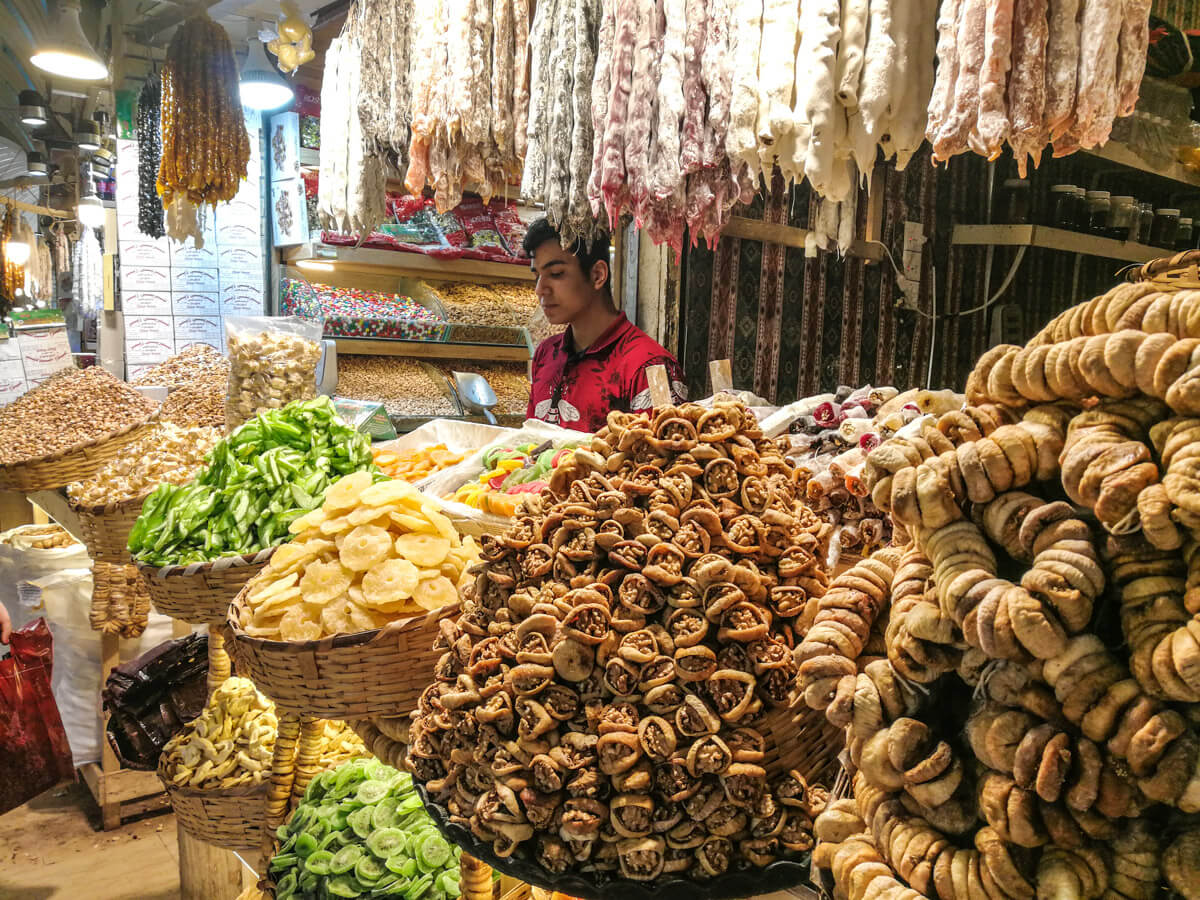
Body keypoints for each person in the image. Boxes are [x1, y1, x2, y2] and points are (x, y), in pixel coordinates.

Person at [523, 217, 686, 433]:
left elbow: (667, 457)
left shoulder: (649, 367)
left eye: (555, 274)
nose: (540, 289)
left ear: (597, 275)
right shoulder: (546, 355)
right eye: (537, 276)